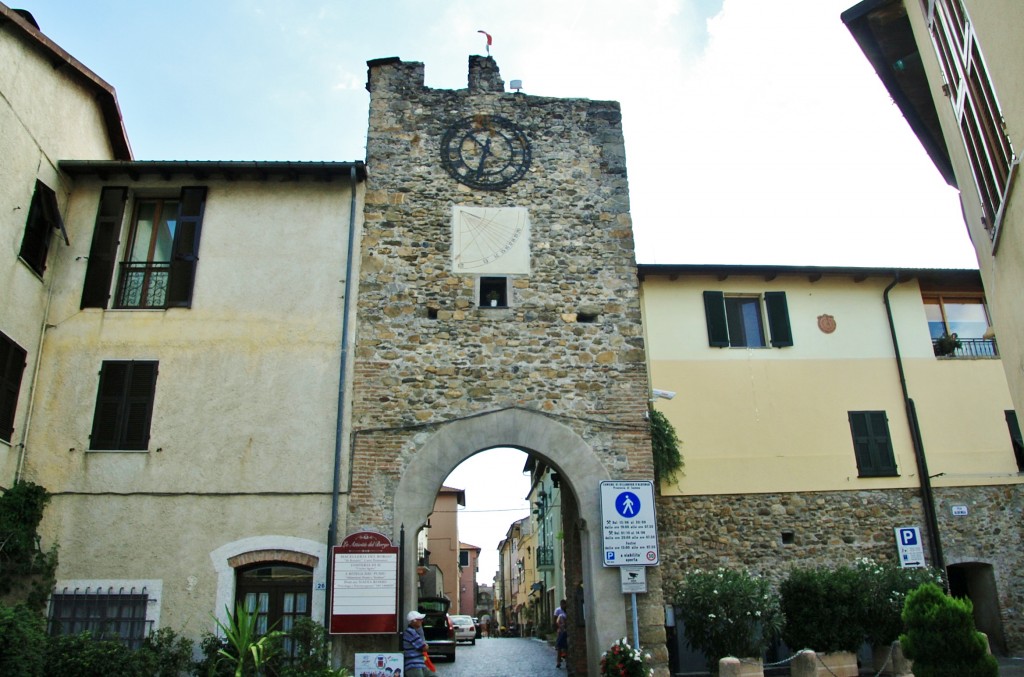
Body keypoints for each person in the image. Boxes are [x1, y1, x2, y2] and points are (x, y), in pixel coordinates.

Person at [402, 611, 438, 677]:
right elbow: (424, 647)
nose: (422, 621)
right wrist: (425, 645)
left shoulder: (414, 631)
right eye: (419, 619)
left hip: (420, 664)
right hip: (413, 665)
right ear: (414, 621)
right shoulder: (410, 632)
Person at [554, 599, 568, 668]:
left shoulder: (567, 611)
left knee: (566, 647)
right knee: (559, 646)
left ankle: (567, 661)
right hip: (560, 631)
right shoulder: (558, 611)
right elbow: (556, 621)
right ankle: (558, 661)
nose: (563, 606)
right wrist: (559, 628)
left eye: (564, 604)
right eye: (562, 604)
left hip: (566, 631)